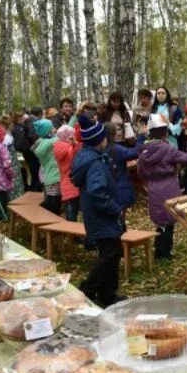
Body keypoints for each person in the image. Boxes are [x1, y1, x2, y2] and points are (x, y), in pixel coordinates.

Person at [70, 117, 124, 307]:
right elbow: (96, 191)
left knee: (112, 252)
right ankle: (87, 288)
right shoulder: (93, 163)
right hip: (101, 215)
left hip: (97, 215)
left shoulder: (90, 157)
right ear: (99, 140)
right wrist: (114, 208)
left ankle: (107, 294)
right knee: (111, 253)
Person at [137, 114, 187, 259]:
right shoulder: (168, 149)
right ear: (164, 132)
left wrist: (148, 182)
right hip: (169, 187)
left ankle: (159, 250)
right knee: (169, 220)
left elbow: (140, 172)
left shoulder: (144, 151)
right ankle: (164, 252)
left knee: (160, 219)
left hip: (154, 188)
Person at [107, 123, 143, 229]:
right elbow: (135, 152)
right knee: (119, 217)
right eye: (117, 130)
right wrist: (141, 137)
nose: (119, 132)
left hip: (108, 189)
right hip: (119, 188)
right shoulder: (115, 149)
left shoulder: (100, 149)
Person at [32, 119, 61, 214]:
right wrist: (74, 118)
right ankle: (52, 223)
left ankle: (48, 218)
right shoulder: (51, 142)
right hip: (54, 177)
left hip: (47, 176)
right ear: (47, 131)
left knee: (50, 198)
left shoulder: (41, 143)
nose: (54, 129)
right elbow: (62, 135)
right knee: (54, 203)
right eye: (52, 127)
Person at [53, 124, 82, 221]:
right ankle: (73, 232)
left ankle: (70, 229)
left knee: (70, 206)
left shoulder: (58, 146)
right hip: (73, 181)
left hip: (65, 179)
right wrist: (76, 144)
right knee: (73, 207)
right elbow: (78, 154)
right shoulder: (70, 149)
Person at [0, 116, 25, 201]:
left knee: (12, 185)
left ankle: (13, 204)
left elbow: (5, 153)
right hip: (13, 165)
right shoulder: (8, 135)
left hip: (9, 165)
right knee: (16, 185)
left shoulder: (6, 137)